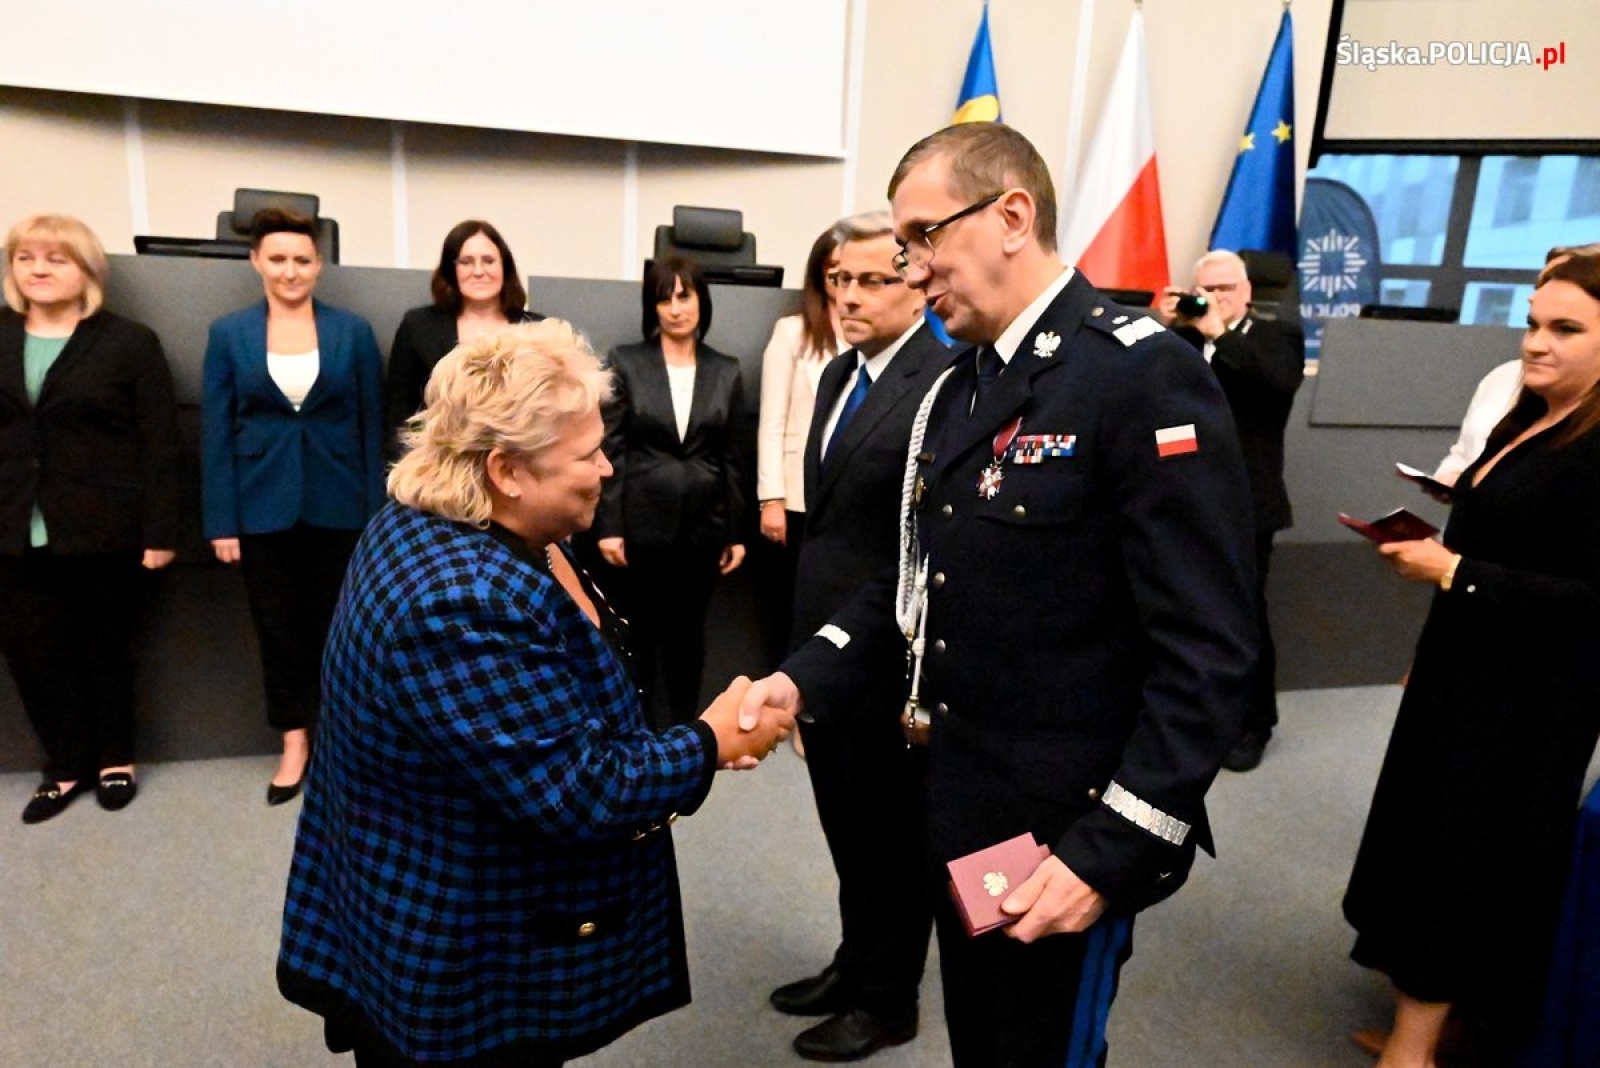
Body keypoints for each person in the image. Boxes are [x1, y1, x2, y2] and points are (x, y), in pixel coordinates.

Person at [741, 123, 1258, 1067]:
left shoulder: (1141, 375)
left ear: (1012, 215)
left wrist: (1110, 850)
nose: (915, 266)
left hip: (1067, 832)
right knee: (987, 1035)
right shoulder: (961, 389)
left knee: (1043, 1046)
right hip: (964, 806)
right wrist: (803, 681)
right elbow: (913, 587)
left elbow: (1210, 653)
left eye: (925, 236)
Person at [276, 321, 792, 1068]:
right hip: (456, 947)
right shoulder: (463, 599)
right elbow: (577, 790)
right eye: (586, 455)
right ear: (506, 470)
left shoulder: (437, 522)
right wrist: (711, 741)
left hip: (422, 889)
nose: (608, 470)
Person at [1343, 249, 1600, 1068]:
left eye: (1566, 328)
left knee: (1464, 862)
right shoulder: (1530, 412)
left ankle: (1411, 1052)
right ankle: (1439, 1024)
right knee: (1420, 841)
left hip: (1531, 698)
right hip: (1465, 667)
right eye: (1532, 323)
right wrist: (1440, 609)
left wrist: (1456, 573)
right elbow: (1485, 533)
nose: (1536, 343)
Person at [766, 211, 950, 1062]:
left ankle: (889, 1001)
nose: (848, 296)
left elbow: (912, 551)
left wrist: (830, 651)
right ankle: (855, 961)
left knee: (891, 838)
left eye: (872, 279)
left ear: (917, 282)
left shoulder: (943, 383)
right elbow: (829, 524)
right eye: (838, 279)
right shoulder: (841, 373)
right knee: (846, 827)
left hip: (886, 653)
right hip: (827, 645)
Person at [0, 213, 181, 822]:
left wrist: (161, 532)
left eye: (56, 259)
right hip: (13, 528)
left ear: (86, 271)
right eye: (27, 258)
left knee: (105, 649)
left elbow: (160, 443)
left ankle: (114, 759)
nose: (40, 270)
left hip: (103, 525)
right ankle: (63, 766)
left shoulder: (128, 342)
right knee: (33, 654)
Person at [201, 208, 385, 805]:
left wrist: (375, 517)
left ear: (319, 265)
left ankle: (342, 744)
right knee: (279, 632)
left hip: (340, 506)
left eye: (302, 259)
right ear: (256, 261)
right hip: (262, 509)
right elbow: (216, 434)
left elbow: (371, 427)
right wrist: (222, 521)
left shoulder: (352, 332)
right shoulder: (229, 334)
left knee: (343, 632)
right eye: (277, 258)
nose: (289, 270)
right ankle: (294, 742)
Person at [1159, 249, 1305, 772]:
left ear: (1246, 291)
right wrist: (1166, 328)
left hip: (1247, 504)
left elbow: (1277, 384)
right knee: (1181, 611)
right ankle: (1194, 715)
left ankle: (1254, 723)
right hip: (1181, 500)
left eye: (1226, 289)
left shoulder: (1274, 337)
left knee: (1243, 617)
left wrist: (1219, 332)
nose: (1216, 299)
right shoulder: (1182, 341)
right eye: (1208, 289)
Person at [595, 255, 749, 728]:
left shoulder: (726, 370)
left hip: (704, 527)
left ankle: (684, 730)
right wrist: (610, 525)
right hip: (641, 524)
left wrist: (736, 531)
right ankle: (636, 732)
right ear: (652, 306)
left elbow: (733, 457)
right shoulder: (627, 361)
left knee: (689, 638)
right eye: (665, 297)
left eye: (685, 295)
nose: (676, 308)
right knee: (639, 635)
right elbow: (612, 449)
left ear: (702, 301)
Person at [754, 225, 842, 674]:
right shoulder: (793, 332)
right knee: (790, 608)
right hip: (795, 500)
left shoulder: (875, 336)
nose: (844, 284)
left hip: (847, 498)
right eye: (835, 272)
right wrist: (772, 498)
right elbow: (772, 420)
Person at [382, 219, 542, 448]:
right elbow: (399, 418)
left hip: (518, 465)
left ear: (504, 267)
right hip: (439, 467)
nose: (478, 271)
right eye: (466, 262)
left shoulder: (536, 330)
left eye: (488, 261)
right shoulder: (418, 327)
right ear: (451, 269)